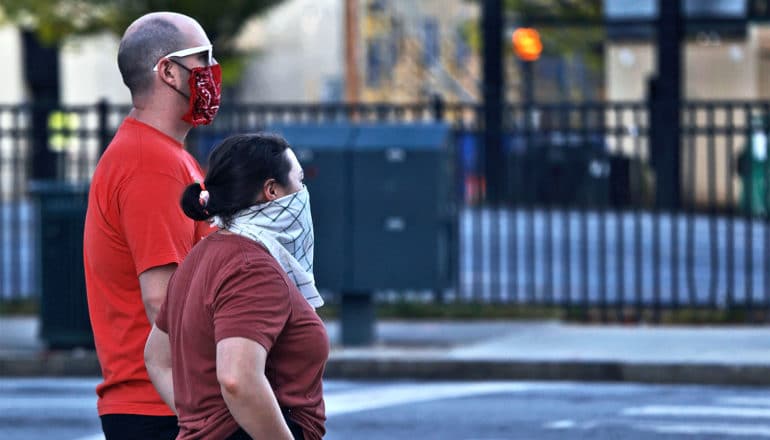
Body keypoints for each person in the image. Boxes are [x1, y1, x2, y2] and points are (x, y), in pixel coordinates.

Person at [83, 11, 221, 439]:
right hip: (165, 411)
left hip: (164, 407)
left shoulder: (159, 154)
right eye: (203, 61)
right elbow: (164, 303)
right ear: (168, 72)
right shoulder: (151, 165)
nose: (213, 74)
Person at [144, 133, 328, 440]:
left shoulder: (204, 252)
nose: (304, 192)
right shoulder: (251, 268)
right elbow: (236, 379)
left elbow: (157, 358)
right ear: (272, 190)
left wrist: (203, 423)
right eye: (299, 181)